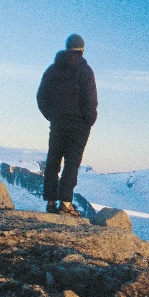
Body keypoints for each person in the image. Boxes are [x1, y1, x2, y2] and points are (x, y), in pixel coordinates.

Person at [36, 33, 97, 216]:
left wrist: (51, 115)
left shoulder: (52, 69)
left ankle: (50, 202)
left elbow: (41, 96)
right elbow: (90, 99)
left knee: (53, 160)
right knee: (72, 163)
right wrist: (89, 120)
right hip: (78, 124)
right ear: (82, 50)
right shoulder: (85, 70)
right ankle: (65, 204)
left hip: (57, 122)